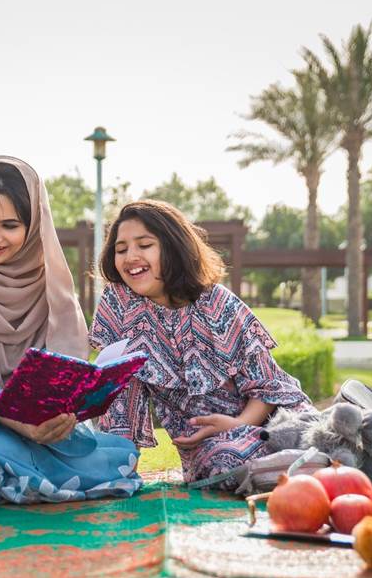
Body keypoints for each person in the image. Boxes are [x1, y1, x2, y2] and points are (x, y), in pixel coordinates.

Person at [0, 155, 142, 503]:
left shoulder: (45, 273)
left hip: (43, 422)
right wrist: (21, 423)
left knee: (116, 455)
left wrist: (62, 413)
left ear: (33, 224)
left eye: (10, 225)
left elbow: (63, 359)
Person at [89, 200, 314, 490]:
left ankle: (336, 450)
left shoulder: (217, 303)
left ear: (173, 247)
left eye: (144, 245)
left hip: (268, 422)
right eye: (121, 249)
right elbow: (120, 396)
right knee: (227, 462)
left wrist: (238, 425)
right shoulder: (118, 305)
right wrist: (118, 468)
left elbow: (269, 385)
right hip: (207, 449)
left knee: (313, 440)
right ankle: (314, 465)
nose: (130, 256)